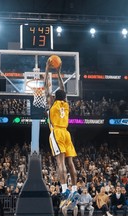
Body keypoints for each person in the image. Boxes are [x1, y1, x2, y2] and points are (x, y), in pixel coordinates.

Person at [44, 59, 78, 197]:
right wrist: (58, 72)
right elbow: (62, 88)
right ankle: (75, 189)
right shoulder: (66, 103)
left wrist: (47, 69)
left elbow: (46, 87)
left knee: (60, 162)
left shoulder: (52, 103)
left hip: (56, 132)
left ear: (54, 97)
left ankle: (64, 190)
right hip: (66, 133)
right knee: (70, 162)